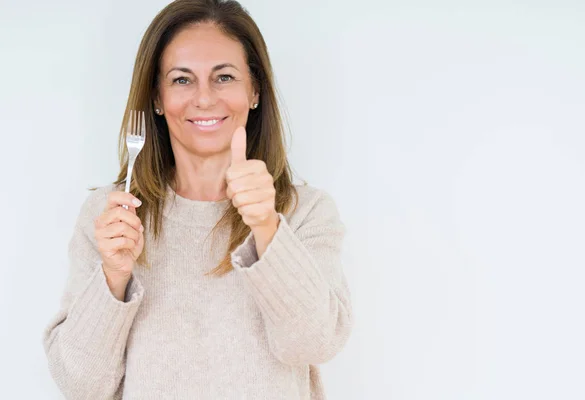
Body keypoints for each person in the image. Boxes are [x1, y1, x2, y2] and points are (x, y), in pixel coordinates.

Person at [42, 0, 353, 398]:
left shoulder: (305, 212)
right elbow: (79, 383)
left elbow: (313, 344)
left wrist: (268, 230)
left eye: (223, 77)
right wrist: (113, 278)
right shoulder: (112, 215)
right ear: (156, 97)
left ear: (254, 90)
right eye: (182, 80)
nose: (204, 98)